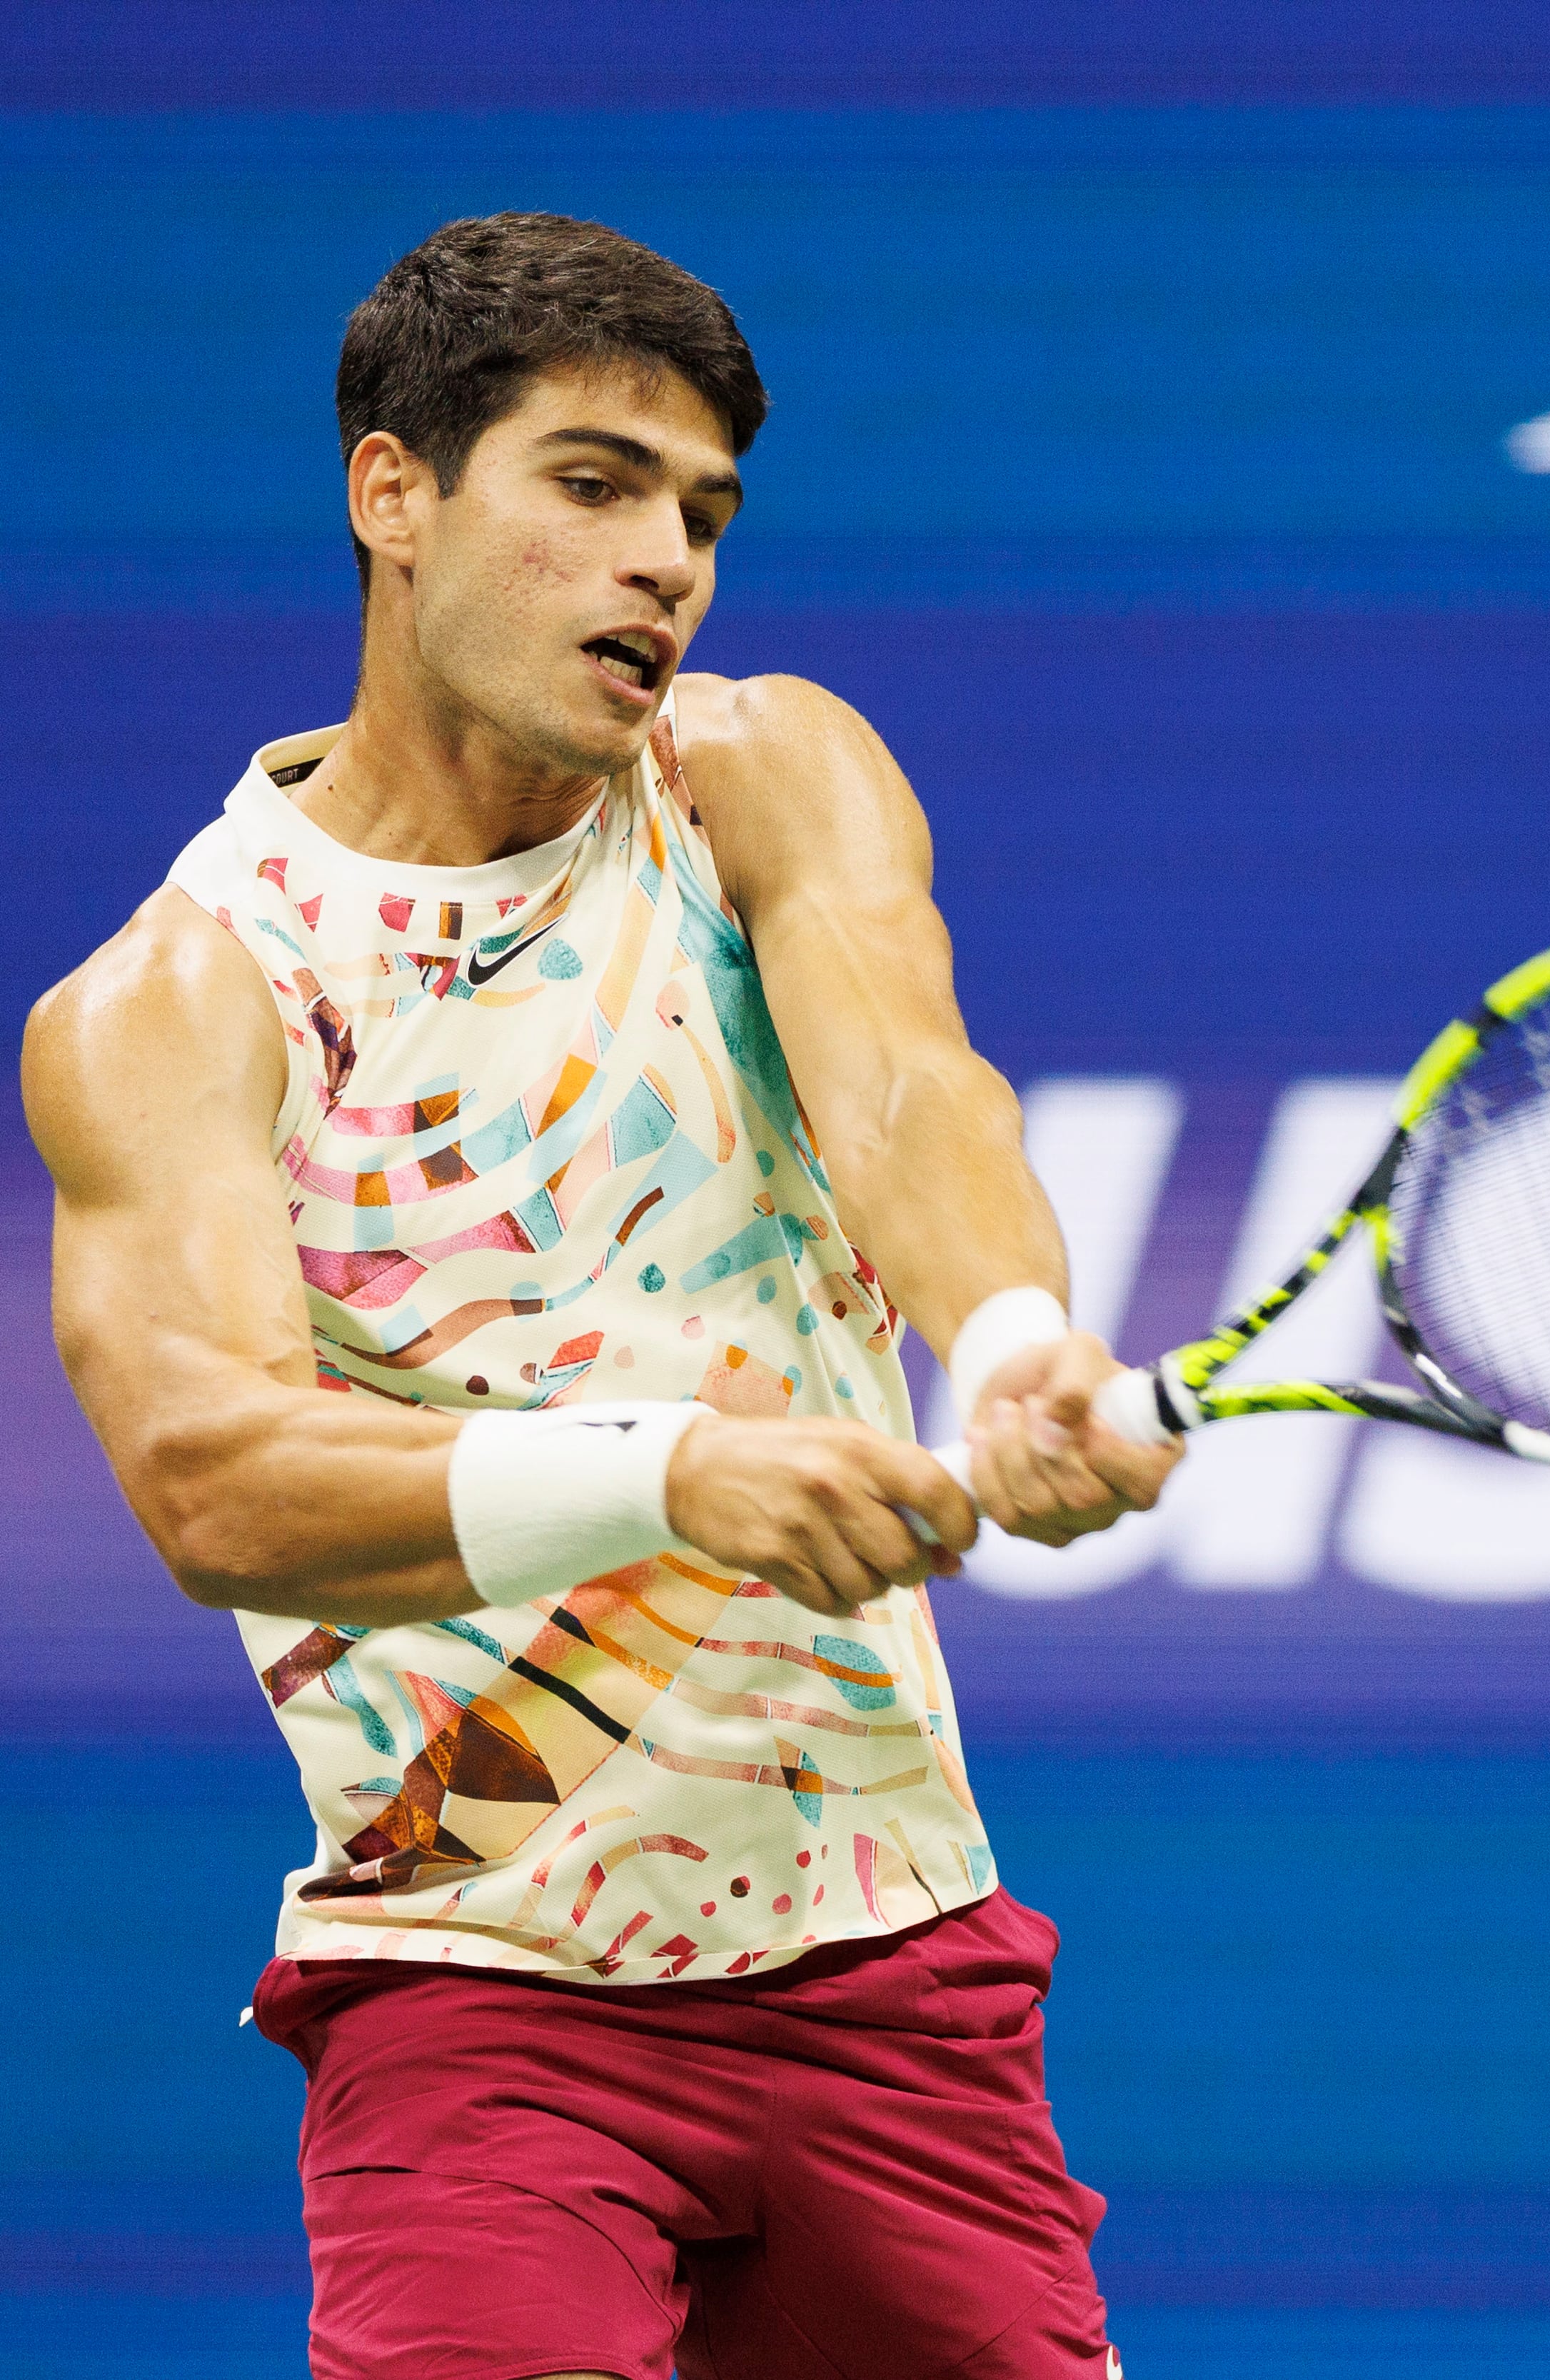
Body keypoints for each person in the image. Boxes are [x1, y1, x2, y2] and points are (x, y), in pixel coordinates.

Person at [21, 212, 1174, 2379]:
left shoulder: (758, 781)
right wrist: (679, 1476)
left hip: (892, 1970)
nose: (667, 560)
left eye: (701, 513)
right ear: (394, 495)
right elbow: (217, 1482)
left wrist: (1015, 1348)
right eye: (591, 484)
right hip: (476, 1986)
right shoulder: (179, 1003)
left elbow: (912, 1090)